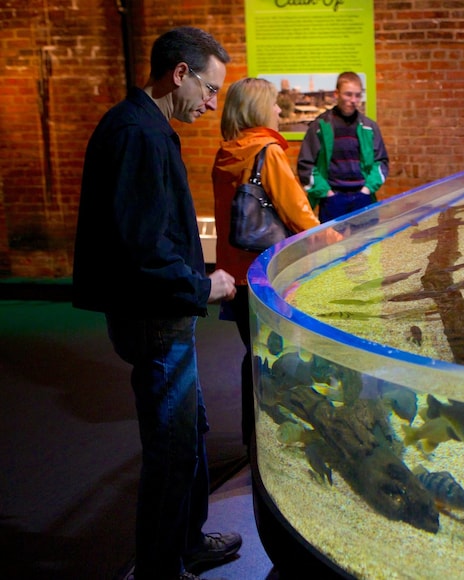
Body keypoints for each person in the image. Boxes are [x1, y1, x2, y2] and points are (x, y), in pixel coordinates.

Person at [72, 26, 242, 580]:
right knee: (171, 448)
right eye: (211, 89)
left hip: (160, 313)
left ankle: (185, 543)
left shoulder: (140, 125)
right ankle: (161, 568)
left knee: (188, 432)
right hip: (156, 318)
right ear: (180, 74)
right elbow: (141, 249)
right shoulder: (139, 134)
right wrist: (203, 285)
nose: (213, 102)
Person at [211, 77, 322, 446]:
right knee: (280, 359)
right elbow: (301, 218)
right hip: (268, 275)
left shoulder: (226, 153)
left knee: (254, 355)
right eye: (274, 104)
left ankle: (254, 441)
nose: (279, 111)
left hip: (235, 279)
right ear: (259, 108)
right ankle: (274, 442)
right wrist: (346, 246)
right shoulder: (268, 152)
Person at [297, 71, 389, 222]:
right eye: (348, 94)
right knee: (331, 245)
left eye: (358, 95)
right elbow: (305, 164)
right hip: (332, 198)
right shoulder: (320, 126)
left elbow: (381, 162)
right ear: (336, 94)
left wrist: (366, 190)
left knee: (367, 244)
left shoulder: (369, 127)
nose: (353, 100)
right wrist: (327, 193)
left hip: (363, 197)